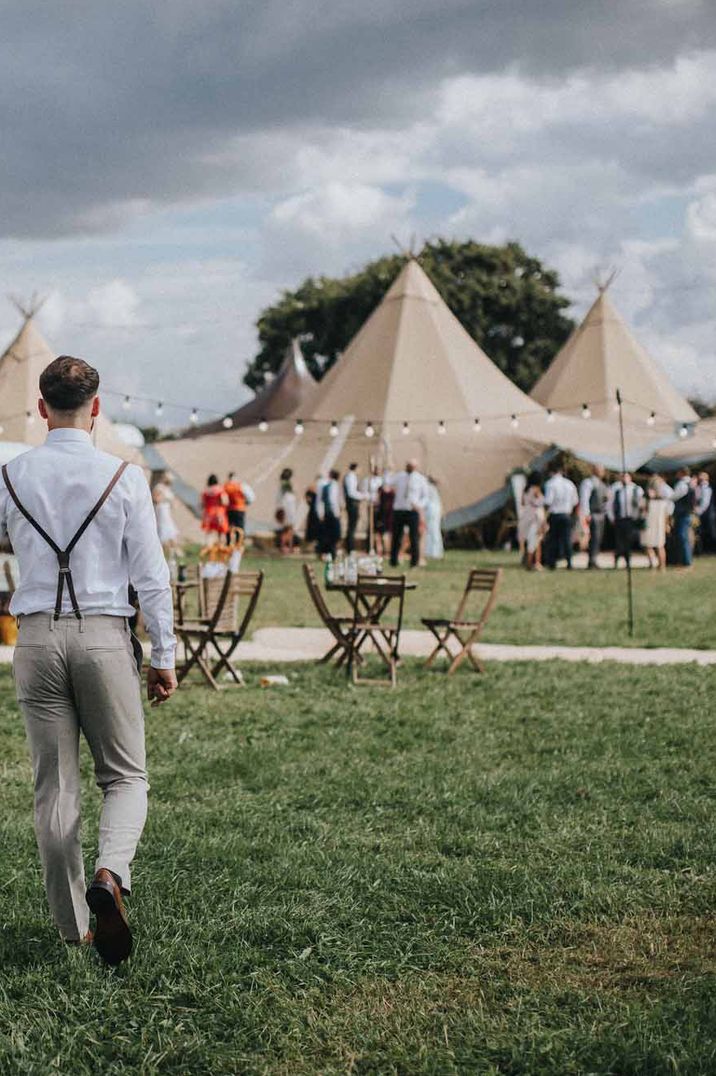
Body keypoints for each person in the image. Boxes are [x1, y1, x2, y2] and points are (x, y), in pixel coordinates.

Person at [0, 355, 176, 965]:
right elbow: (152, 579)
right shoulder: (124, 477)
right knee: (125, 775)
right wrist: (165, 654)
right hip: (104, 636)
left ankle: (76, 926)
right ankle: (111, 874)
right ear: (97, 408)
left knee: (55, 790)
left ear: (42, 409)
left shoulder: (11, 476)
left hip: (37, 639)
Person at [390, 460, 429, 568]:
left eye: (412, 466)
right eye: (408, 465)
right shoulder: (399, 476)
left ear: (415, 467)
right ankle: (393, 560)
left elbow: (425, 497)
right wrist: (387, 470)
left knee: (414, 537)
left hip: (412, 510)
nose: (409, 467)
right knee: (397, 536)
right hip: (399, 509)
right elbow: (387, 482)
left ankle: (414, 562)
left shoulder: (420, 479)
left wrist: (418, 505)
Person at [543, 462, 578, 569]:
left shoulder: (550, 484)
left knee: (553, 539)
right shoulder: (570, 484)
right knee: (567, 539)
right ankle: (569, 562)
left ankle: (552, 562)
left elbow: (548, 501)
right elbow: (575, 501)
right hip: (566, 514)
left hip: (555, 514)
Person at [608, 472, 644, 568]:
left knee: (629, 540)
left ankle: (628, 560)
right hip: (620, 518)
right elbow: (610, 504)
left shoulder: (637, 489)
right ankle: (617, 559)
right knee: (619, 541)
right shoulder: (617, 490)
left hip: (632, 519)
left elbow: (642, 504)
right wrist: (611, 517)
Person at [579, 463, 609, 569]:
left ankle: (594, 559)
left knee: (598, 538)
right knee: (594, 538)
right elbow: (584, 499)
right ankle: (592, 560)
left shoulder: (602, 484)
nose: (602, 472)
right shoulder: (588, 483)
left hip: (601, 514)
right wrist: (586, 514)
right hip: (593, 514)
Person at [641, 475, 673, 570]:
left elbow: (642, 510)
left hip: (649, 524)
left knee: (648, 545)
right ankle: (662, 566)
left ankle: (652, 565)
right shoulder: (664, 500)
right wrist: (667, 524)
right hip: (660, 524)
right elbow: (668, 513)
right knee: (660, 545)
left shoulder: (646, 499)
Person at [519, 472, 546, 571]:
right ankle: (534, 562)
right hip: (535, 518)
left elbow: (522, 503)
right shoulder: (536, 490)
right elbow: (540, 504)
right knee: (536, 541)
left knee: (531, 541)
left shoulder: (525, 490)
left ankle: (530, 561)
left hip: (526, 517)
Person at [670, 467, 695, 567]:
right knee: (684, 537)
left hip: (682, 514)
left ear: (682, 473)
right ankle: (684, 561)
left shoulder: (682, 484)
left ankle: (687, 562)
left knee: (682, 537)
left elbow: (674, 496)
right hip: (686, 513)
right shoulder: (690, 483)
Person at [152, 471, 180, 558]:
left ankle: (173, 552)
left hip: (167, 510)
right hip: (161, 510)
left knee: (171, 531)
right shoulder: (159, 487)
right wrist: (165, 499)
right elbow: (156, 499)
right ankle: (168, 552)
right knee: (165, 530)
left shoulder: (168, 489)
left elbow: (173, 501)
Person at [317, 469, 342, 559]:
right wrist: (336, 512)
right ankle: (332, 553)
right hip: (332, 513)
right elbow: (333, 500)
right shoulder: (334, 485)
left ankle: (327, 552)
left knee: (328, 535)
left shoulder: (325, 486)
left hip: (327, 513)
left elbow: (321, 501)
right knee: (334, 535)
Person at [224, 471, 254, 543]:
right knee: (240, 528)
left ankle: (228, 543)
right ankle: (239, 543)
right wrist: (245, 503)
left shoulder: (225, 486)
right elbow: (251, 497)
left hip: (229, 509)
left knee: (229, 527)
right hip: (240, 509)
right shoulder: (241, 486)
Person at [343, 462, 366, 554]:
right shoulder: (350, 477)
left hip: (353, 504)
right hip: (352, 504)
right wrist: (363, 496)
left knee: (352, 526)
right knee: (351, 526)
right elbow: (351, 493)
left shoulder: (352, 477)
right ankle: (350, 548)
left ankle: (350, 547)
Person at [201, 473, 229, 542]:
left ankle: (209, 547)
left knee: (209, 532)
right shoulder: (220, 490)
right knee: (221, 531)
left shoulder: (206, 491)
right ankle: (221, 547)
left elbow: (203, 504)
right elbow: (225, 502)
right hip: (219, 513)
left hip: (209, 513)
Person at [276, 468, 297, 555]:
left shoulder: (283, 484)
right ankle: (286, 547)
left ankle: (286, 547)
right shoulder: (286, 485)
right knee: (288, 529)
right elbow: (287, 497)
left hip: (286, 507)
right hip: (288, 507)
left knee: (287, 529)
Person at [423, 477, 444, 560]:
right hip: (434, 511)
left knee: (432, 532)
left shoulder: (428, 488)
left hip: (431, 511)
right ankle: (432, 552)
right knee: (433, 531)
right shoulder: (433, 488)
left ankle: (434, 552)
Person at [376, 472, 395, 557]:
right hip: (383, 513)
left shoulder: (392, 490)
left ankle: (388, 550)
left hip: (389, 513)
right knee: (382, 532)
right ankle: (382, 550)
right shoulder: (381, 490)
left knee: (388, 532)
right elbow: (377, 500)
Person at [695, 471, 715, 553]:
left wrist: (698, 512)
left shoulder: (707, 488)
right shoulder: (698, 487)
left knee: (711, 532)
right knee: (702, 533)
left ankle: (712, 549)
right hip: (702, 513)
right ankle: (704, 550)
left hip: (708, 514)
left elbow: (705, 503)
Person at [304, 476, 322, 552]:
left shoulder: (312, 488)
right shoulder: (316, 488)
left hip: (313, 510)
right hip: (315, 511)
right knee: (315, 528)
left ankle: (313, 545)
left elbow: (307, 499)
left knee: (313, 528)